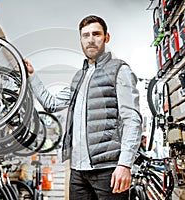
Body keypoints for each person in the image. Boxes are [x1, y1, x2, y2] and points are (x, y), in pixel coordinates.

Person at [25, 15, 142, 200]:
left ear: (106, 37)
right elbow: (51, 103)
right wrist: (31, 76)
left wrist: (125, 165)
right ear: (80, 40)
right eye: (85, 35)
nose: (91, 39)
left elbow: (132, 119)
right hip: (78, 170)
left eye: (96, 34)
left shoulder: (120, 70)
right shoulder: (78, 77)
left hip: (108, 171)